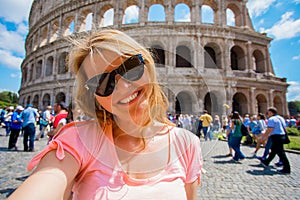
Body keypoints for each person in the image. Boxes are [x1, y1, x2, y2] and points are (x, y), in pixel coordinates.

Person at [9, 29, 203, 200]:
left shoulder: (187, 144)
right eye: (103, 83)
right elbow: (48, 180)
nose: (124, 87)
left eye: (130, 68)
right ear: (94, 97)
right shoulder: (78, 141)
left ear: (147, 64)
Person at [260, 107, 291, 174]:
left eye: (268, 112)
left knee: (281, 153)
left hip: (276, 136)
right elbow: (284, 127)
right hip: (282, 136)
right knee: (274, 150)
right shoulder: (281, 118)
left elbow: (269, 129)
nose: (267, 114)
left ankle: (287, 169)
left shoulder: (271, 119)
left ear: (271, 112)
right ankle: (266, 162)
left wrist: (264, 137)